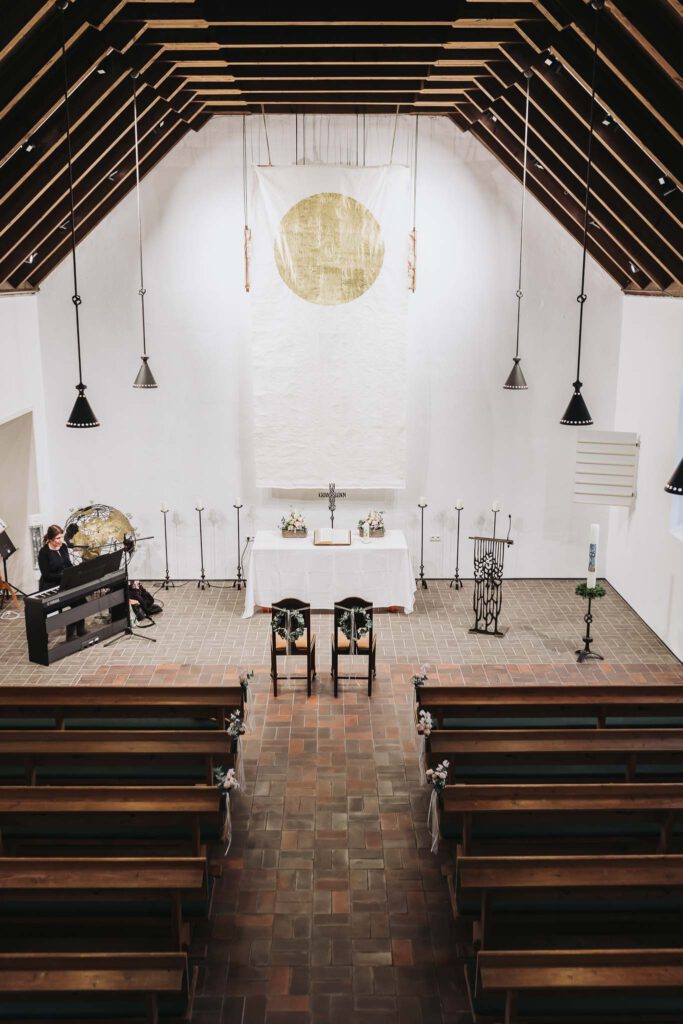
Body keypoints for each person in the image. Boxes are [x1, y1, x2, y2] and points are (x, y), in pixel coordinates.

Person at [38, 525, 87, 641]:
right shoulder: (44, 552)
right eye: (57, 538)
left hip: (65, 581)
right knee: (69, 600)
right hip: (50, 584)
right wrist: (63, 576)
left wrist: (75, 572)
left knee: (81, 600)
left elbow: (68, 564)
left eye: (61, 537)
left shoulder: (63, 547)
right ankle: (43, 636)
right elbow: (46, 575)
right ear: (50, 539)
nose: (61, 541)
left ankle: (77, 630)